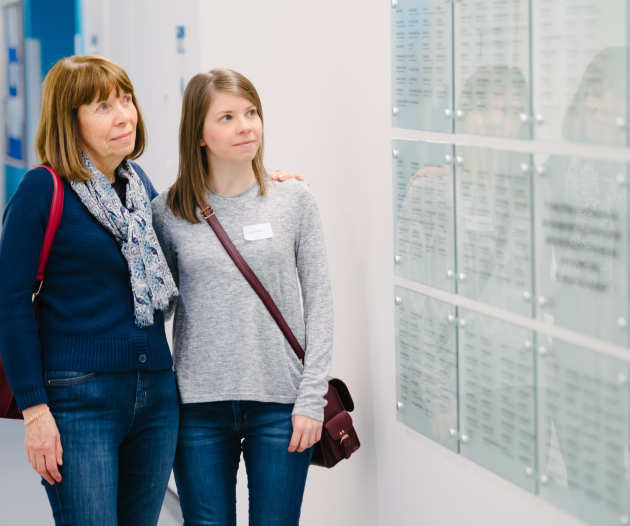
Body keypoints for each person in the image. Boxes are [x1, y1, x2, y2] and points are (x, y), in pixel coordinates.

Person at [0, 55, 299, 526]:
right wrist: (35, 408)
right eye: (102, 106)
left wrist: (266, 187)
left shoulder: (138, 188)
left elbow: (199, 238)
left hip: (156, 398)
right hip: (80, 400)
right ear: (68, 120)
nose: (124, 115)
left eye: (126, 100)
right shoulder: (43, 188)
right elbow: (10, 304)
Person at [151, 69, 333, 525]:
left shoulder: (294, 199)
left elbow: (320, 304)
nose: (246, 126)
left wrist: (311, 399)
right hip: (197, 409)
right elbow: (158, 309)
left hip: (280, 405)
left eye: (251, 113)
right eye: (228, 117)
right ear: (198, 134)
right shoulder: (167, 213)